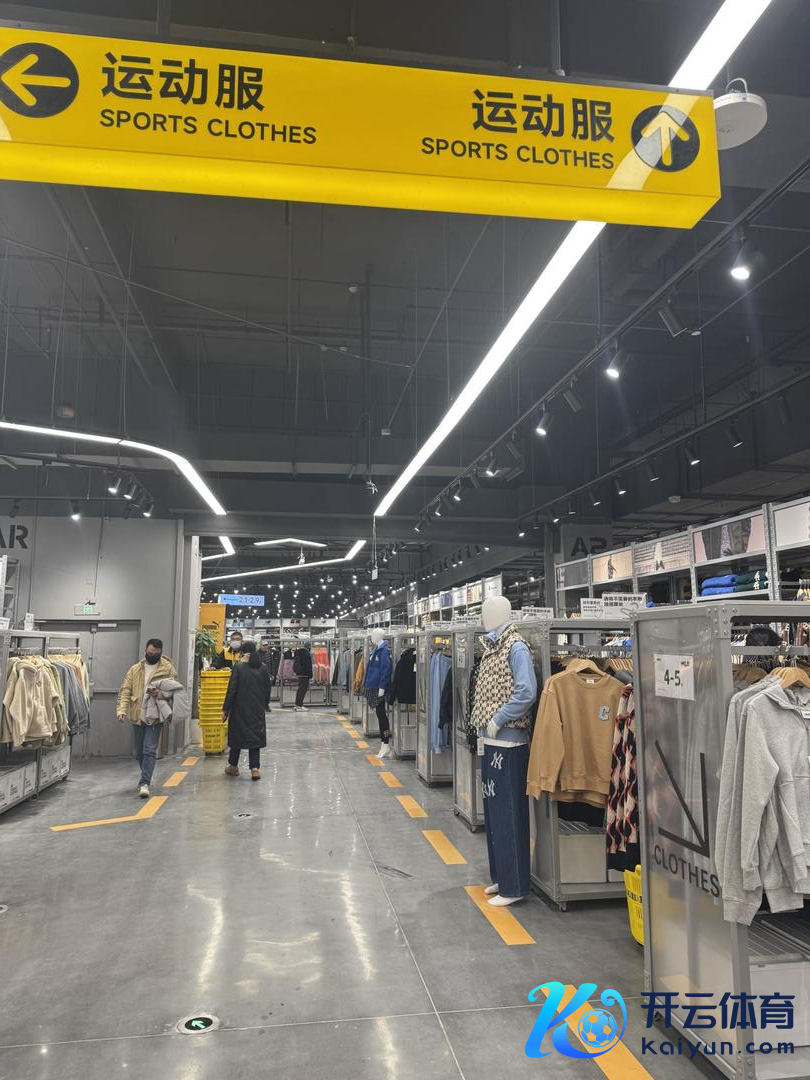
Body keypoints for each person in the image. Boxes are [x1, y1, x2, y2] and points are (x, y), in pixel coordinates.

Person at [117, 638, 179, 798]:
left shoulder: (168, 669)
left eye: (156, 653)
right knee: (140, 751)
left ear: (161, 652)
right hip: (137, 714)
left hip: (155, 715)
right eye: (150, 652)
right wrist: (121, 709)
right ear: (145, 650)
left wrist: (161, 694)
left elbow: (175, 691)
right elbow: (126, 690)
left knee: (149, 749)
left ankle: (144, 783)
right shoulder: (135, 669)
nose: (152, 655)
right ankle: (147, 774)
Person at [223, 640, 271, 780]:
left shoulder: (238, 667)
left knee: (237, 737)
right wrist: (264, 704)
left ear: (243, 652)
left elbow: (232, 690)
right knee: (254, 738)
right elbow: (268, 688)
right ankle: (255, 769)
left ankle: (233, 766)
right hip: (257, 709)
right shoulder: (262, 667)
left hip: (239, 709)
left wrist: (226, 709)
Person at [293, 643, 313, 710]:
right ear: (309, 647)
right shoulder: (306, 654)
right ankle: (299, 705)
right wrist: (310, 675)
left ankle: (297, 704)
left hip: (299, 674)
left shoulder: (298, 653)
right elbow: (308, 666)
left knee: (300, 689)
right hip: (305, 674)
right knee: (303, 690)